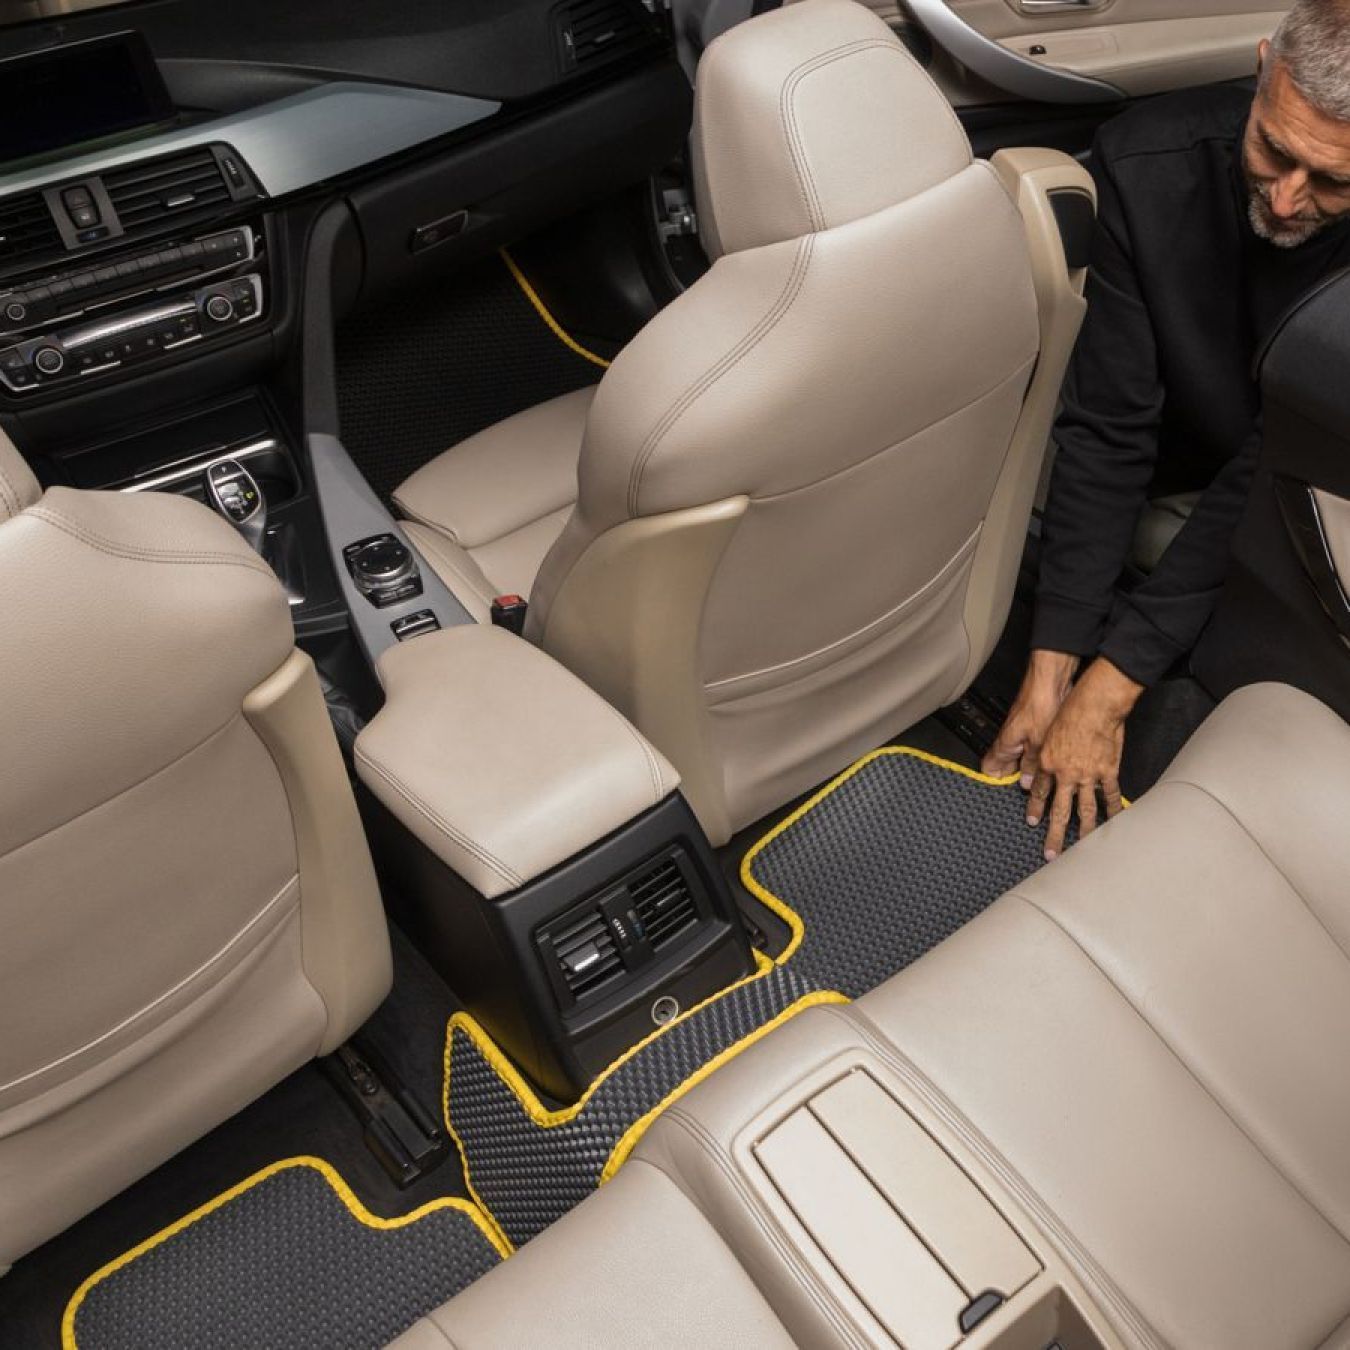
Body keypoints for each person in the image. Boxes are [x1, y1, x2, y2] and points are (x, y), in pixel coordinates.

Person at [982, 0, 1350, 859]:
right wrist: (1052, 667)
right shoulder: (1147, 166)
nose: (1289, 198)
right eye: (1274, 150)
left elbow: (1272, 463)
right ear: (1262, 67)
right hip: (1189, 450)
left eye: (1333, 181)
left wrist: (1110, 691)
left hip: (1306, 469)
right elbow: (1111, 428)